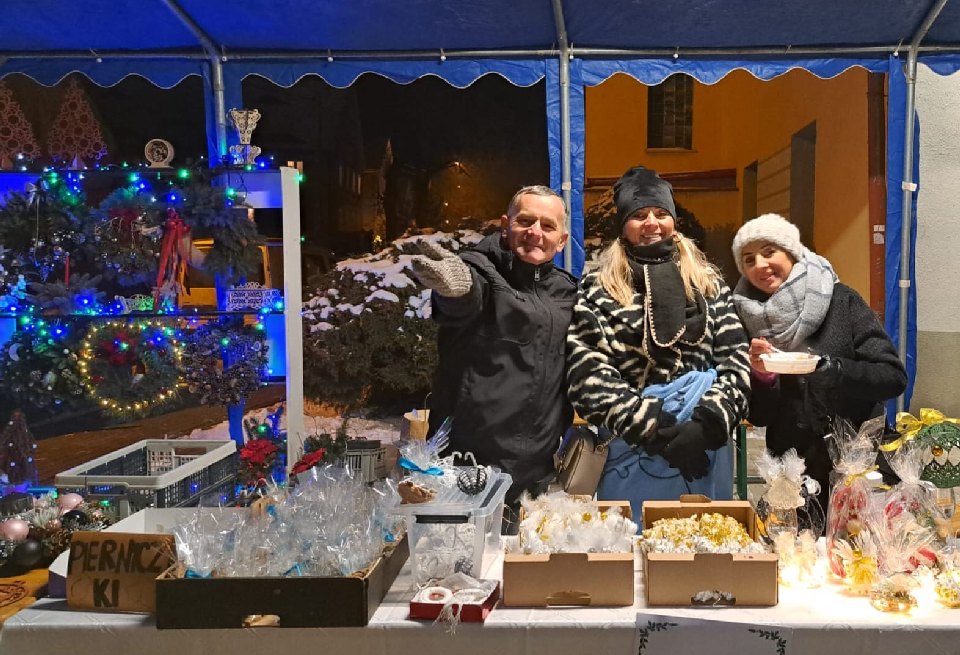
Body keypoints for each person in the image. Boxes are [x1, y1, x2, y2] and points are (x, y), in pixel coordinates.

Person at [566, 166, 751, 518]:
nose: (651, 222)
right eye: (639, 215)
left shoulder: (708, 284)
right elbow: (587, 376)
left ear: (673, 222)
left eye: (660, 213)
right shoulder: (597, 290)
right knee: (630, 544)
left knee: (704, 542)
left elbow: (736, 362)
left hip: (704, 445)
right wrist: (652, 428)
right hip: (632, 446)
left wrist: (707, 425)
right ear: (623, 226)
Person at [409, 185, 577, 526]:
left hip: (537, 479)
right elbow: (465, 297)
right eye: (525, 221)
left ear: (561, 240)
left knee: (526, 560)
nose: (535, 232)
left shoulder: (568, 293)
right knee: (451, 561)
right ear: (505, 225)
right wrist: (455, 288)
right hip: (463, 473)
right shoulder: (482, 272)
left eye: (547, 226)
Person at [731, 213, 907, 513]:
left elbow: (892, 377)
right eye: (749, 259)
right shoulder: (745, 317)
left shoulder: (841, 301)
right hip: (793, 476)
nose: (760, 264)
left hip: (857, 470)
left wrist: (832, 370)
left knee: (856, 542)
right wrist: (762, 377)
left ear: (791, 252)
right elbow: (760, 417)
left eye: (769, 252)